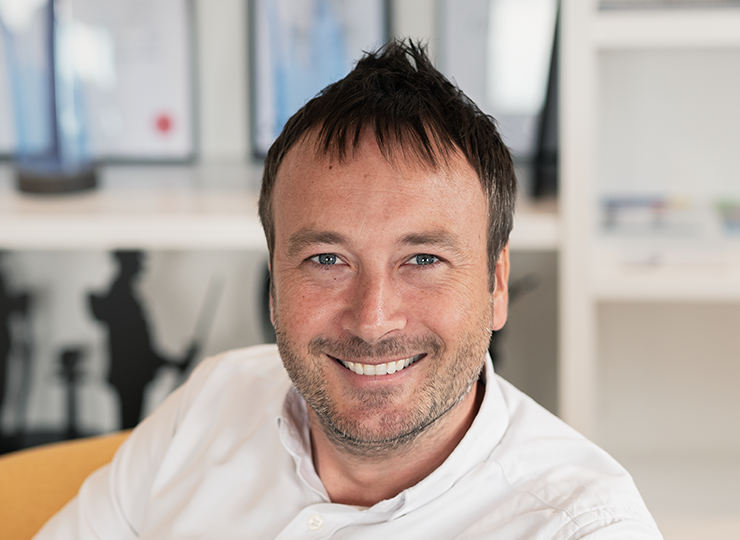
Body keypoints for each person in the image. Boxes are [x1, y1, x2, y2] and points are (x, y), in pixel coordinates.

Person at [35, 40, 662, 539]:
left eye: (422, 258)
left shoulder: (581, 527)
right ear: (275, 282)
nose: (373, 319)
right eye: (327, 258)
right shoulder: (211, 402)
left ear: (496, 284)